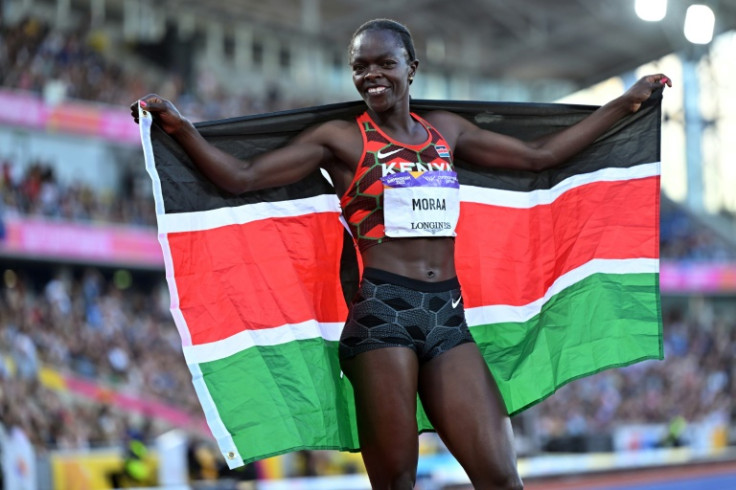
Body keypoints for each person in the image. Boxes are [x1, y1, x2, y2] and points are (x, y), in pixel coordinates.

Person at [131, 18, 670, 490]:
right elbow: (242, 178)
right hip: (382, 318)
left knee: (502, 477)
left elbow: (539, 156)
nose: (371, 76)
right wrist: (181, 128)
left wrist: (622, 105)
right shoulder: (341, 140)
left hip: (447, 317)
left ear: (411, 67)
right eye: (359, 67)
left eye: (384, 63)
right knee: (396, 482)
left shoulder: (447, 132)